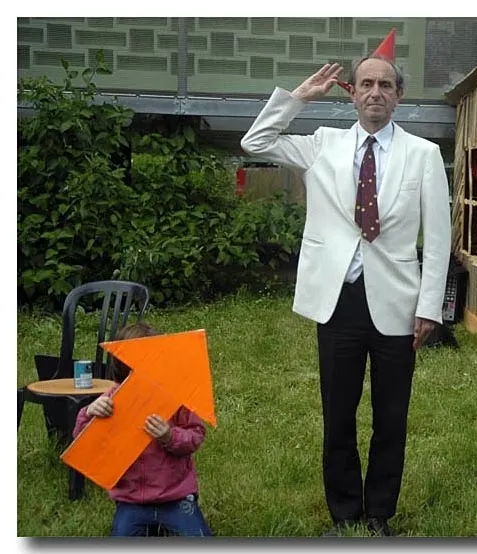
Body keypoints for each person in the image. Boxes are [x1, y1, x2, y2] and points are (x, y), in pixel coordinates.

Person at [240, 58, 451, 536]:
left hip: (397, 301)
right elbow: (255, 142)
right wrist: (298, 98)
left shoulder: (423, 155)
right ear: (351, 93)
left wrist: (429, 307)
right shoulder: (322, 145)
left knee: (391, 416)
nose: (375, 92)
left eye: (385, 85)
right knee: (338, 413)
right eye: (366, 84)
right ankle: (344, 511)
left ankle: (379, 513)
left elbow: (439, 239)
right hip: (338, 298)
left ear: (399, 95)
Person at [72, 322, 212, 537]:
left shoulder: (175, 396)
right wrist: (89, 413)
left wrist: (169, 436)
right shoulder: (114, 398)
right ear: (122, 366)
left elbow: (196, 435)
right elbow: (84, 441)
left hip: (175, 497)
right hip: (131, 500)